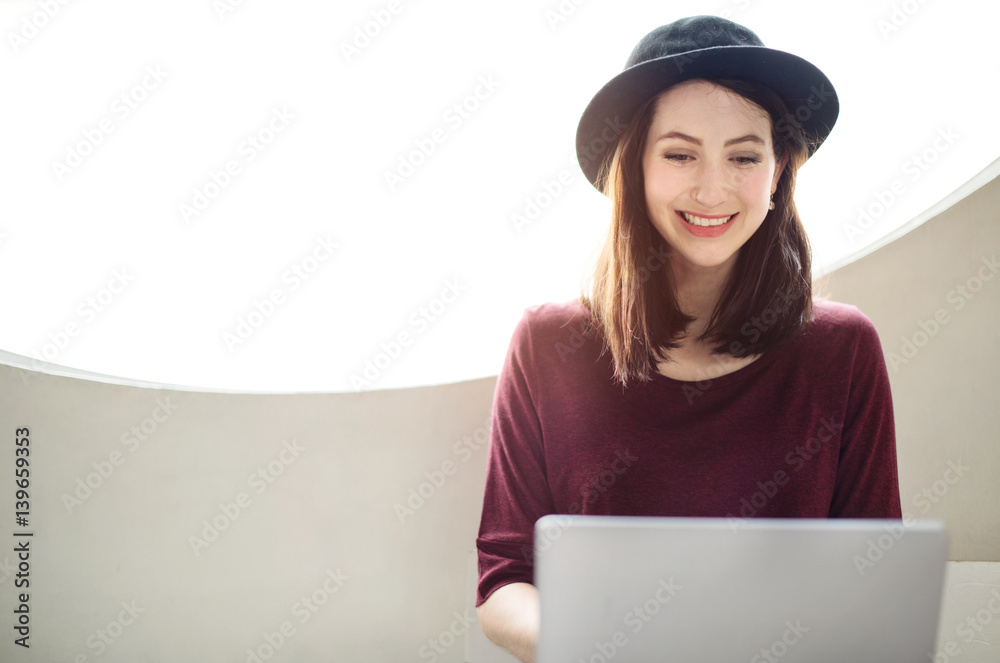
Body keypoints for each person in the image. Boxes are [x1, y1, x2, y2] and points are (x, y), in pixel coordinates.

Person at [474, 15, 902, 663]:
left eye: (744, 156)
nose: (711, 188)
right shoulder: (547, 342)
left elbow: (876, 576)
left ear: (779, 170)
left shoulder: (842, 349)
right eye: (679, 153)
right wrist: (603, 644)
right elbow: (505, 577)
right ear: (634, 165)